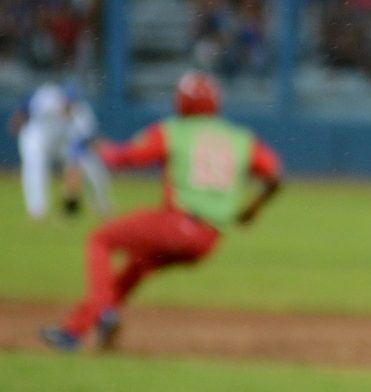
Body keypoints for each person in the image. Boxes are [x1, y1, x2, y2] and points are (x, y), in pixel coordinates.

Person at [40, 71, 283, 351]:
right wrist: (253, 208)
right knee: (139, 265)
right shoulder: (241, 138)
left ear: (183, 102)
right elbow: (275, 174)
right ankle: (82, 327)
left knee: (100, 240)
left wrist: (94, 146)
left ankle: (102, 315)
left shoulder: (174, 131)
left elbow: (125, 157)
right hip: (208, 240)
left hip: (178, 224)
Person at [7, 81, 112, 220]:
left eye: (71, 103)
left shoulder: (81, 114)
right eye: (66, 102)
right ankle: (37, 211)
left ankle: (101, 203)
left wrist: (71, 186)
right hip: (36, 138)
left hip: (62, 144)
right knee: (34, 168)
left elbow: (78, 148)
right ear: (61, 98)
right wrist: (17, 120)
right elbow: (25, 107)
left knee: (91, 162)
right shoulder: (47, 98)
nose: (68, 106)